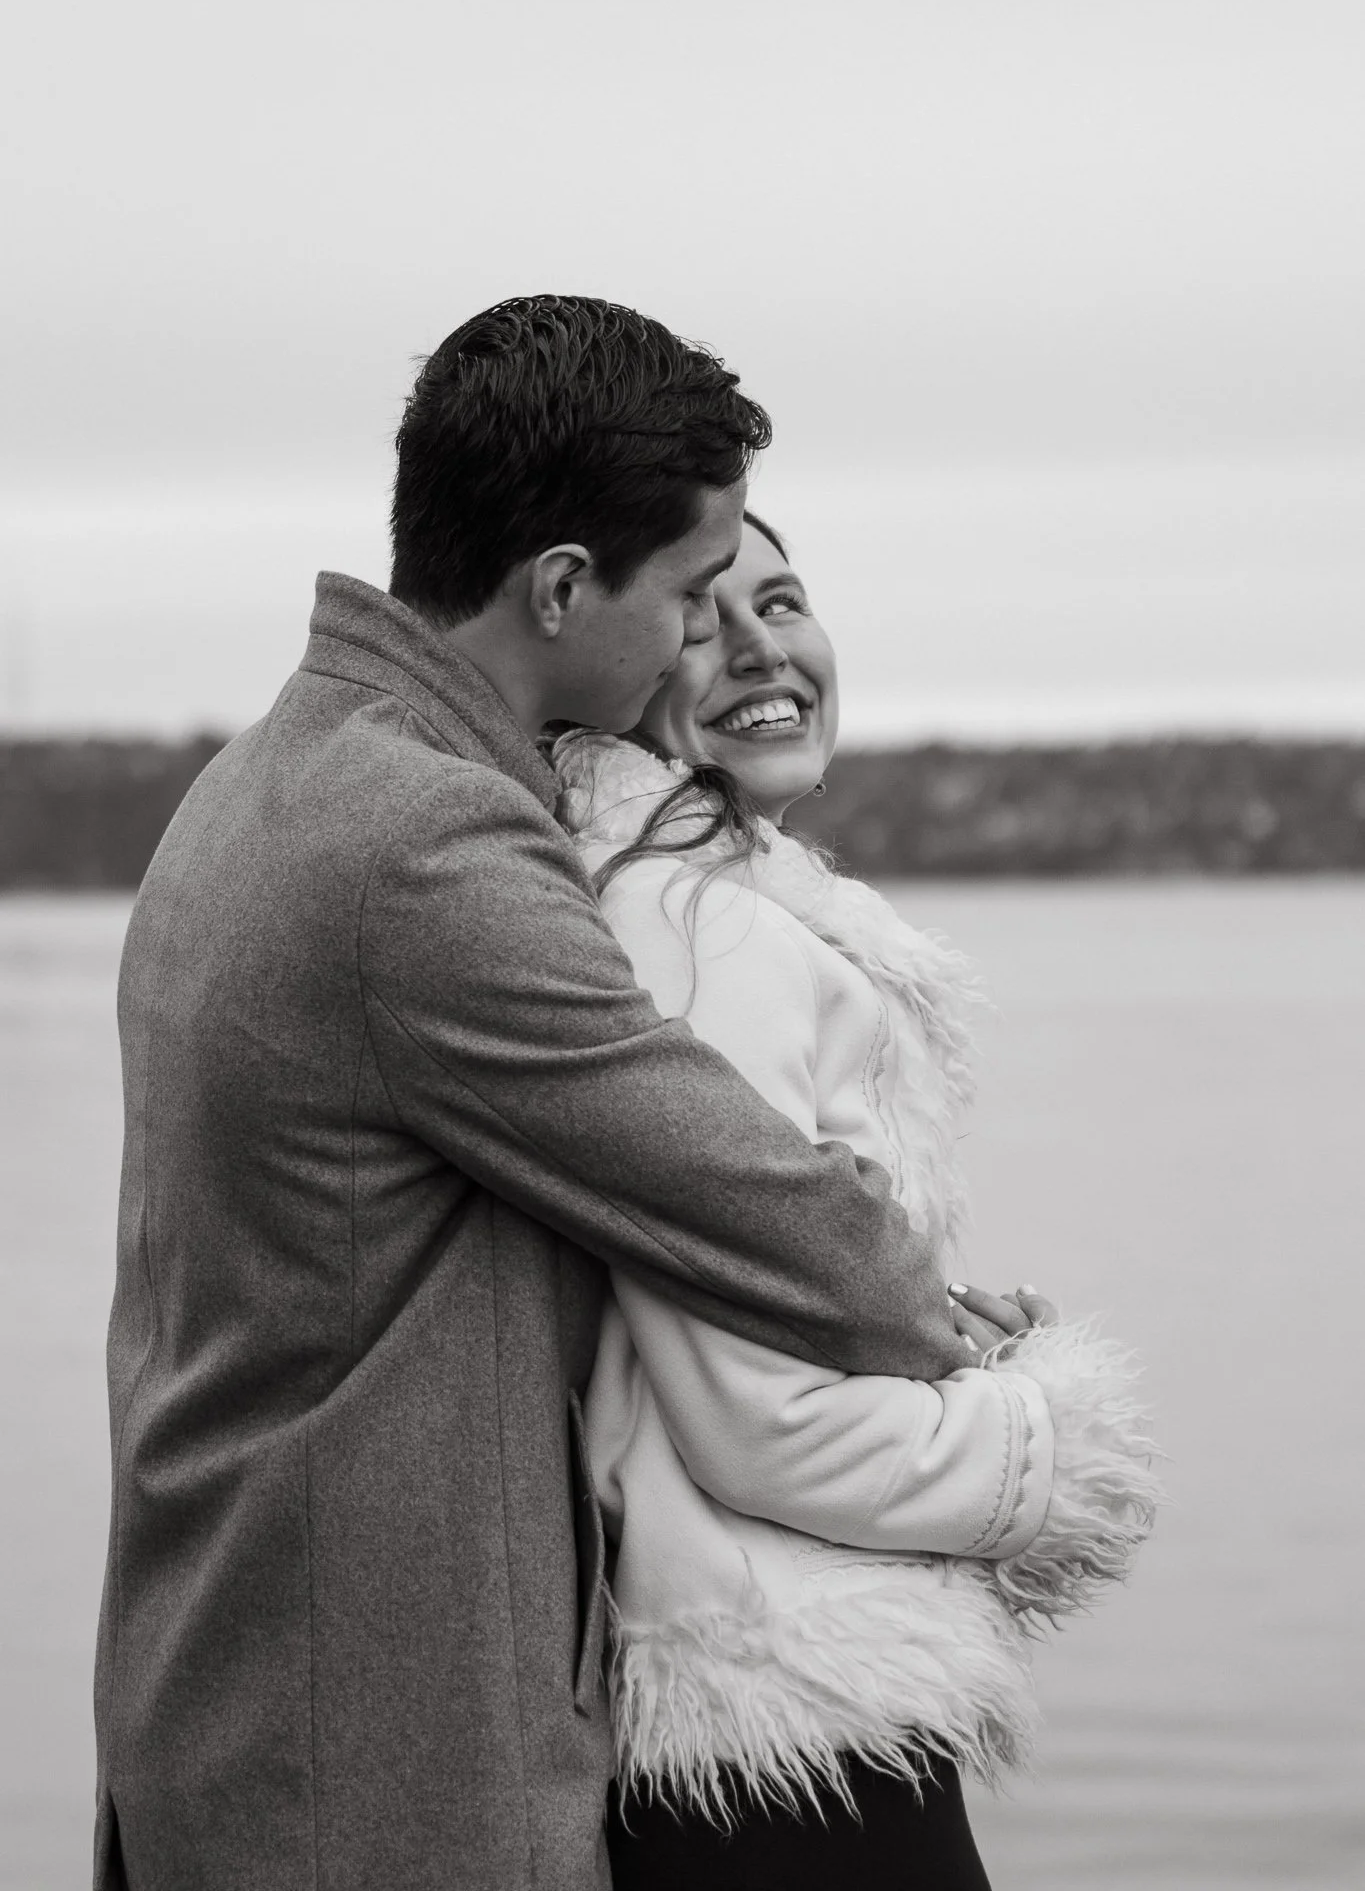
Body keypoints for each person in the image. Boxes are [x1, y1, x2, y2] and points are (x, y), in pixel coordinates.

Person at [92, 301, 969, 1891]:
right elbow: (757, 1208)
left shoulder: (264, 776)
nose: (710, 633)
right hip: (364, 1761)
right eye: (695, 593)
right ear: (563, 586)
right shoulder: (422, 846)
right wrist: (1011, 1387)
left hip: (228, 1693)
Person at [554, 512, 1159, 1890]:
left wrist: (931, 1332)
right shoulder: (704, 934)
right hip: (787, 1736)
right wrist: (1038, 1446)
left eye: (786, 601)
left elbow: (753, 1314)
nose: (766, 649)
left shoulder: (712, 911)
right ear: (626, 658)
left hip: (764, 1708)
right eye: (706, 617)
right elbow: (764, 1424)